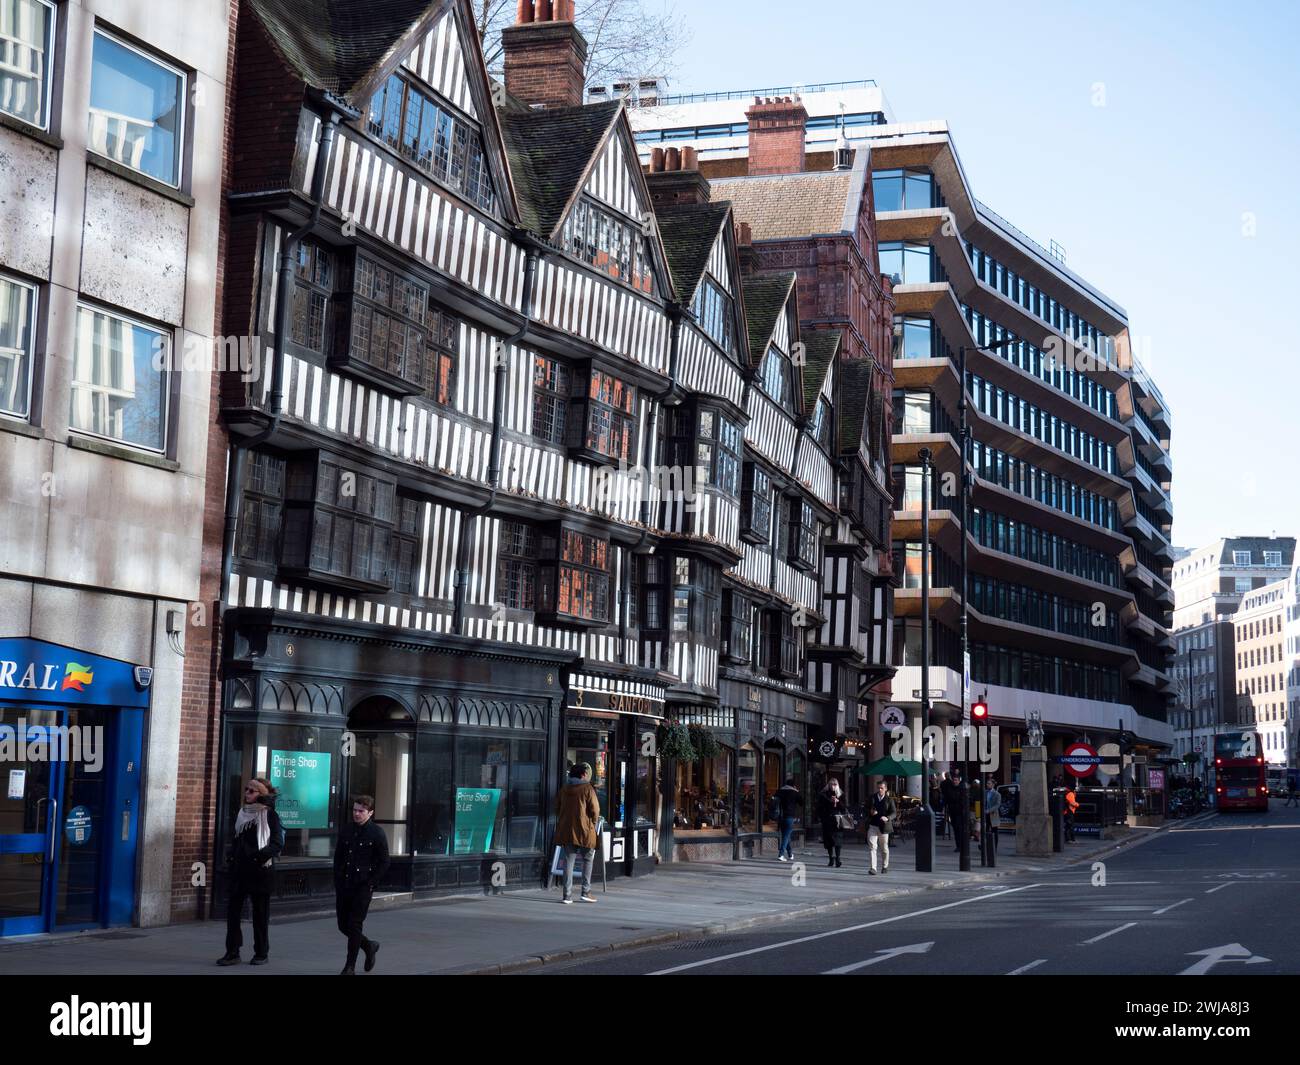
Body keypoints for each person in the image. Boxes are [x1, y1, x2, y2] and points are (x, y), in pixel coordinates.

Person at [217, 777, 285, 966]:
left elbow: (277, 843)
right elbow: (237, 839)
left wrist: (258, 857)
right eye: (246, 789)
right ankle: (232, 952)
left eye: (251, 791)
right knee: (233, 913)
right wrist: (231, 856)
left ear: (261, 794)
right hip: (239, 871)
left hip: (260, 871)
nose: (247, 793)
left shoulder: (269, 815)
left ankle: (261, 953)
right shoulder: (242, 813)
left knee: (260, 915)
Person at [333, 794, 391, 975]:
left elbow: (384, 861)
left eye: (361, 811)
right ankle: (368, 945)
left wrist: (372, 883)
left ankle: (350, 966)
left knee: (355, 924)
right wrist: (337, 879)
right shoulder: (346, 830)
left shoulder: (376, 833)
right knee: (343, 925)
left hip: (363, 886)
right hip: (345, 884)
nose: (356, 814)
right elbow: (338, 857)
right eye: (355, 810)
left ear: (370, 812)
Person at [556, 761, 601, 903]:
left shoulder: (564, 789)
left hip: (567, 829)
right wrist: (592, 823)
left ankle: (567, 895)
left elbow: (556, 808)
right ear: (583, 775)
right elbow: (595, 810)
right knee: (588, 859)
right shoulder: (587, 788)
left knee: (569, 861)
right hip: (585, 830)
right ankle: (585, 892)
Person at [815, 778, 848, 868]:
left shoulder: (841, 794)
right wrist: (830, 802)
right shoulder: (824, 794)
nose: (833, 786)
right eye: (831, 784)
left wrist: (838, 802)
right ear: (828, 785)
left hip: (838, 821)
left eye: (835, 784)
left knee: (838, 840)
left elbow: (844, 808)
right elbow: (819, 807)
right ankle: (831, 858)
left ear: (837, 785)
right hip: (827, 820)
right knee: (828, 840)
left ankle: (838, 858)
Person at [867, 780, 897, 875]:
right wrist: (870, 812)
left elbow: (894, 813)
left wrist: (887, 818)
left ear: (885, 789)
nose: (880, 790)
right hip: (873, 825)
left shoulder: (889, 800)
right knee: (872, 847)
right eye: (878, 788)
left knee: (884, 848)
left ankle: (885, 866)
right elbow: (866, 808)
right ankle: (873, 868)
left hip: (884, 827)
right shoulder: (872, 797)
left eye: (882, 788)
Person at [775, 777, 802, 862]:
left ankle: (790, 854)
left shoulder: (780, 791)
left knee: (785, 836)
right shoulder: (794, 792)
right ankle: (781, 854)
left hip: (780, 816)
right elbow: (802, 803)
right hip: (789, 817)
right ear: (794, 785)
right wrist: (797, 792)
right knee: (786, 836)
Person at [941, 768, 967, 852]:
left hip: (960, 812)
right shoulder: (950, 789)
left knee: (960, 829)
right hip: (953, 812)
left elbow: (962, 801)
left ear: (959, 781)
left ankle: (962, 845)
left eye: (956, 780)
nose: (955, 781)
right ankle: (958, 845)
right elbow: (948, 798)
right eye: (954, 780)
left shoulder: (962, 789)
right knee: (956, 829)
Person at [984, 778, 1001, 854]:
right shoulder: (985, 792)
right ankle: (986, 846)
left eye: (989, 783)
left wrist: (989, 810)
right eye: (987, 783)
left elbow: (997, 805)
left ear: (993, 785)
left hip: (993, 815)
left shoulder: (997, 794)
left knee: (994, 831)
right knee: (986, 831)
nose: (987, 785)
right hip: (986, 815)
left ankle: (995, 847)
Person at [929, 774, 945, 838]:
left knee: (935, 819)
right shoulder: (939, 790)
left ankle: (935, 830)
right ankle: (937, 830)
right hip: (938, 807)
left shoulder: (934, 791)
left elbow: (934, 799)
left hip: (935, 807)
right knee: (936, 819)